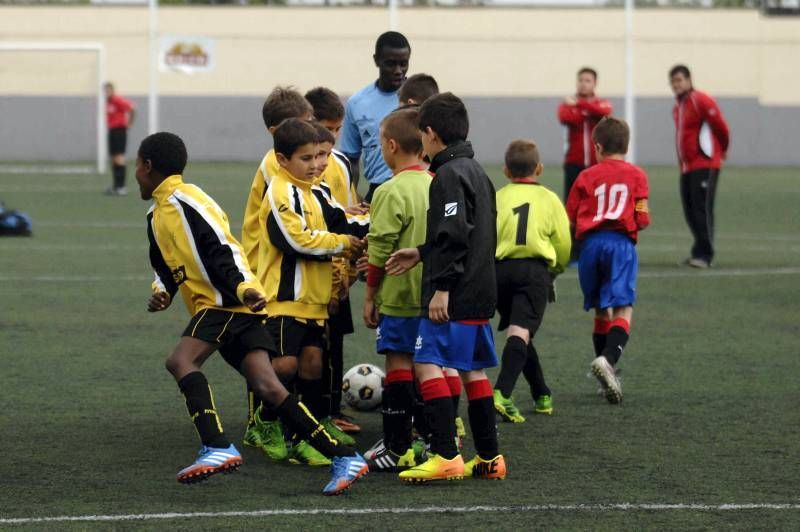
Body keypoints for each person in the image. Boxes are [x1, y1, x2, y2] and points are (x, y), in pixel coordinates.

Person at [135, 131, 367, 495]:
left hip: (226, 302)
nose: (136, 174)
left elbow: (227, 246)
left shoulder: (188, 200)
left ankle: (215, 445)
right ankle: (343, 456)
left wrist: (245, 287)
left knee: (180, 361)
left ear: (146, 166)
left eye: (137, 167)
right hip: (230, 305)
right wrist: (161, 292)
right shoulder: (156, 215)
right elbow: (163, 265)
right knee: (269, 385)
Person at [385, 93, 506, 482]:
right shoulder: (477, 172)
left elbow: (454, 235)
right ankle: (489, 457)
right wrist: (421, 251)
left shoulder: (448, 177)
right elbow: (471, 232)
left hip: (455, 292)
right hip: (481, 289)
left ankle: (445, 454)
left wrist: (442, 288)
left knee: (425, 361)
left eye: (422, 132)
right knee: (472, 371)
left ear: (431, 134)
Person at [255, 118, 367, 465]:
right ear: (282, 159)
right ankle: (266, 421)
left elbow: (345, 221)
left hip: (315, 301)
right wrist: (344, 244)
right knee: (285, 366)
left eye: (321, 156)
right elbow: (296, 240)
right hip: (283, 298)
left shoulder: (318, 191)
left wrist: (379, 221)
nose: (317, 164)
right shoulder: (278, 192)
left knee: (313, 366)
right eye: (307, 158)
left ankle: (308, 435)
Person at [239, 87, 317, 454]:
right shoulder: (278, 164)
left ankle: (297, 423)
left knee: (303, 357)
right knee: (277, 358)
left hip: (293, 270)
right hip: (267, 268)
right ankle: (261, 422)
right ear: (276, 132)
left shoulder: (301, 159)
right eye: (300, 125)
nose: (308, 132)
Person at [362, 107, 431, 472]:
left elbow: (380, 248)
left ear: (390, 145)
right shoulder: (438, 183)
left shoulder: (389, 191)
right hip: (434, 296)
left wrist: (370, 295)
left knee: (399, 364)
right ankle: (433, 441)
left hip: (401, 295)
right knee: (431, 366)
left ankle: (397, 446)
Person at [565, 117, 650, 405]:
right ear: (626, 147)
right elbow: (642, 216)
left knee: (601, 311)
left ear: (597, 146)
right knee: (624, 308)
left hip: (589, 247)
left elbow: (571, 214)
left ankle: (604, 379)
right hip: (620, 245)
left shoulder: (585, 176)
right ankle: (608, 360)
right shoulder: (637, 175)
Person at [492, 140, 571, 423]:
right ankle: (502, 392)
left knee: (520, 333)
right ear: (539, 168)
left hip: (500, 272)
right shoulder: (549, 199)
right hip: (534, 272)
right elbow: (563, 242)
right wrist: (555, 271)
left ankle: (541, 394)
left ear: (505, 170)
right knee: (520, 332)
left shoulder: (498, 196)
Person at [306, 89, 364, 436]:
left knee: (335, 338)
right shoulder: (290, 162)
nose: (331, 137)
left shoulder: (339, 164)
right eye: (325, 128)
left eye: (337, 129)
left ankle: (332, 410)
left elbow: (349, 212)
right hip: (303, 269)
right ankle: (304, 413)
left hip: (336, 267)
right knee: (306, 345)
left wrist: (349, 269)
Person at [670, 64, 730, 268]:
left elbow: (721, 126)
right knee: (689, 210)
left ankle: (705, 255)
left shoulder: (700, 100)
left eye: (679, 80)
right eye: (673, 81)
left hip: (704, 164)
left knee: (701, 208)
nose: (676, 84)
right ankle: (698, 250)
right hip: (687, 167)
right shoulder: (678, 107)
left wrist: (722, 151)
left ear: (688, 80)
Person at [340, 31, 411, 203]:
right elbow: (351, 159)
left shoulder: (419, 98)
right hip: (378, 191)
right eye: (391, 64)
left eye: (403, 64)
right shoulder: (357, 103)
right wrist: (353, 197)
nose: (398, 71)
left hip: (413, 189)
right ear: (376, 60)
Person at [557, 68, 612, 201]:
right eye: (580, 80)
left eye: (587, 80)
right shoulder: (567, 104)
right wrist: (587, 111)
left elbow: (605, 112)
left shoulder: (600, 102)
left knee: (596, 200)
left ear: (595, 83)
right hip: (573, 162)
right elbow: (565, 117)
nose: (583, 83)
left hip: (597, 162)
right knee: (572, 202)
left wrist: (579, 105)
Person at [104, 82, 136, 196]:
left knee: (119, 157)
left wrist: (130, 123)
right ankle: (116, 186)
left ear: (112, 90)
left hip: (120, 131)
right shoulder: (108, 102)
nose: (106, 92)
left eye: (108, 90)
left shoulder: (117, 100)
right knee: (113, 158)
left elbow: (132, 108)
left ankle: (122, 186)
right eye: (105, 90)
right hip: (112, 131)